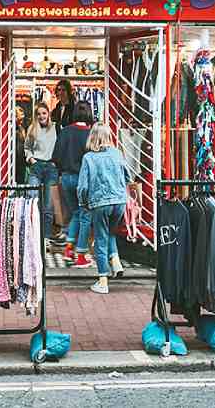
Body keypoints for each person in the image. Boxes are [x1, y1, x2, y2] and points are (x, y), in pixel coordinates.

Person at [77, 123, 129, 294]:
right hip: (119, 201)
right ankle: (115, 260)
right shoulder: (117, 153)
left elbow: (83, 187)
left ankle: (103, 280)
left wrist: (83, 204)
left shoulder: (89, 158)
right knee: (109, 232)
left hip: (100, 202)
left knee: (100, 238)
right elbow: (127, 176)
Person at [53, 101, 94, 267]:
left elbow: (55, 156)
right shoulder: (90, 134)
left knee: (75, 213)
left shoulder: (65, 132)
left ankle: (69, 248)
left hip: (66, 178)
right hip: (83, 179)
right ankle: (81, 254)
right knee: (85, 215)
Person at [25, 102, 58, 242]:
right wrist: (31, 159)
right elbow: (27, 147)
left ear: (48, 114)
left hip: (51, 167)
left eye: (44, 113)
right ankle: (32, 236)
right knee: (31, 200)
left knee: (49, 206)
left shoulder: (56, 127)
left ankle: (45, 237)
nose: (41, 116)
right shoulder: (32, 129)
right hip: (37, 166)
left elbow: (60, 146)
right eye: (38, 114)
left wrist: (57, 161)